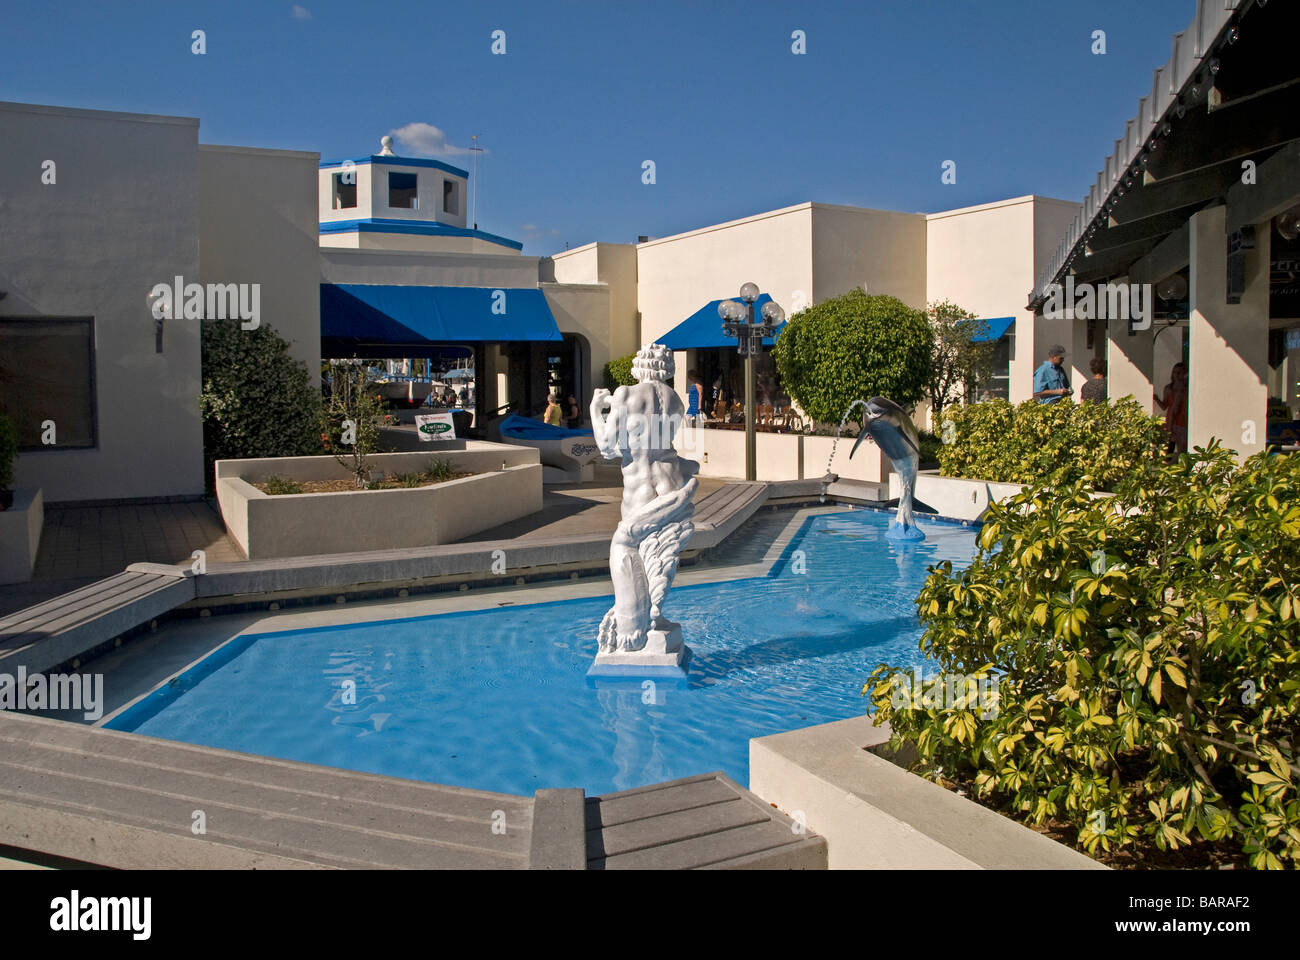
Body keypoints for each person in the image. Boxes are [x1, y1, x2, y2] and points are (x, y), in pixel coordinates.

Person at [1154, 362, 1189, 455]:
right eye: (1175, 372)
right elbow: (1164, 406)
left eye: (1179, 373)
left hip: (1183, 420)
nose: (1176, 375)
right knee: (1170, 448)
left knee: (1182, 449)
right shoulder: (1169, 388)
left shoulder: (1187, 389)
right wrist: (1156, 399)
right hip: (1172, 420)